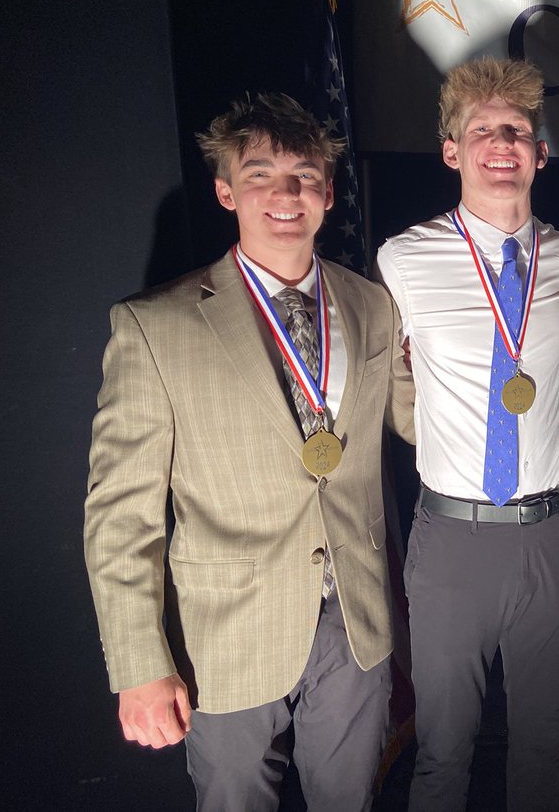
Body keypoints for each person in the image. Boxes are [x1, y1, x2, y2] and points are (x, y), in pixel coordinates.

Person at [83, 93, 415, 811]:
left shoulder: (374, 305)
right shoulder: (155, 326)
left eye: (304, 173)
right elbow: (121, 517)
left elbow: (417, 422)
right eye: (260, 173)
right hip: (224, 639)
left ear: (328, 191)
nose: (286, 191)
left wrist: (541, 426)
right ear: (226, 190)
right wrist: (140, 666)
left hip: (356, 627)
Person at [375, 57, 559, 812]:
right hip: (454, 540)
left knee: (544, 741)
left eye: (518, 131)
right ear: (451, 150)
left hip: (554, 531)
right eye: (482, 131)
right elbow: (389, 380)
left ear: (539, 153)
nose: (501, 144)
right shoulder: (402, 259)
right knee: (444, 751)